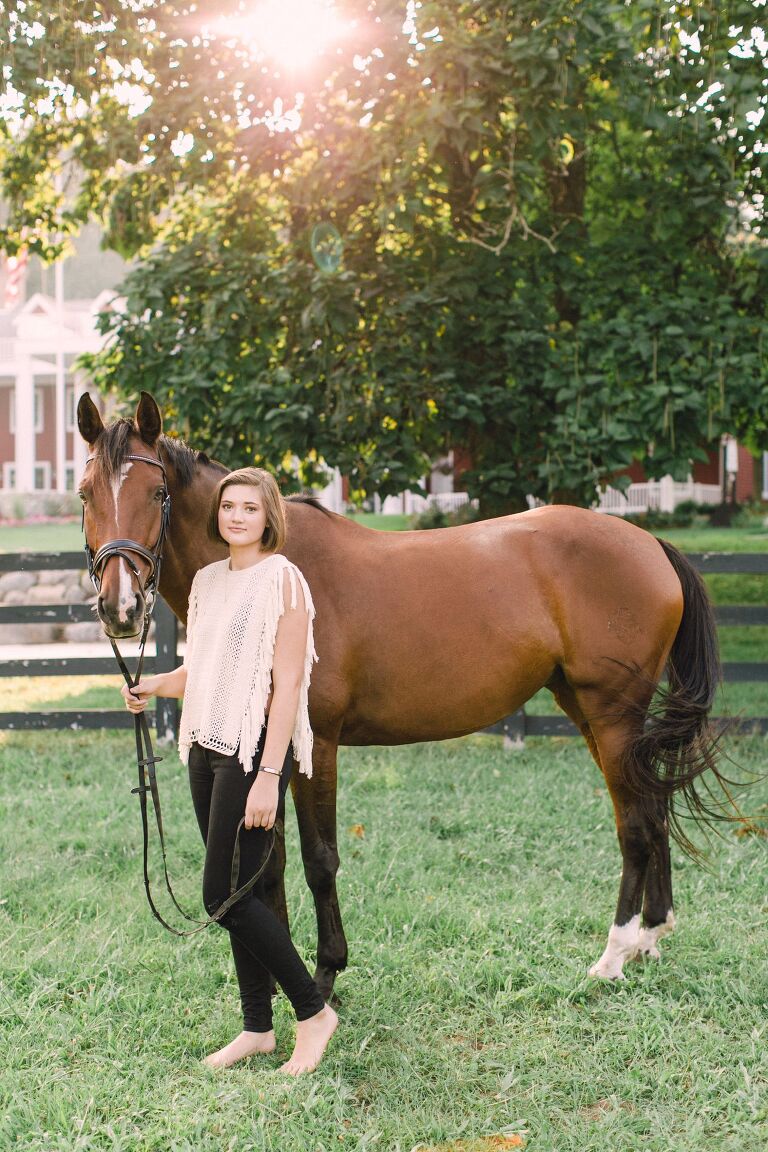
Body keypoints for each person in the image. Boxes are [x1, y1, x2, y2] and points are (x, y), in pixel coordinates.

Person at [122, 466, 338, 1074]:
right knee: (242, 889)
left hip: (250, 755)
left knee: (222, 894)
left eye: (249, 507)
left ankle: (314, 1011)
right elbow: (205, 668)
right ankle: (256, 1027)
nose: (236, 516)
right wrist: (154, 686)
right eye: (228, 507)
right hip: (203, 747)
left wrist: (271, 774)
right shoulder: (209, 582)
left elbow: (288, 684)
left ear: (270, 515)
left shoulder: (285, 583)